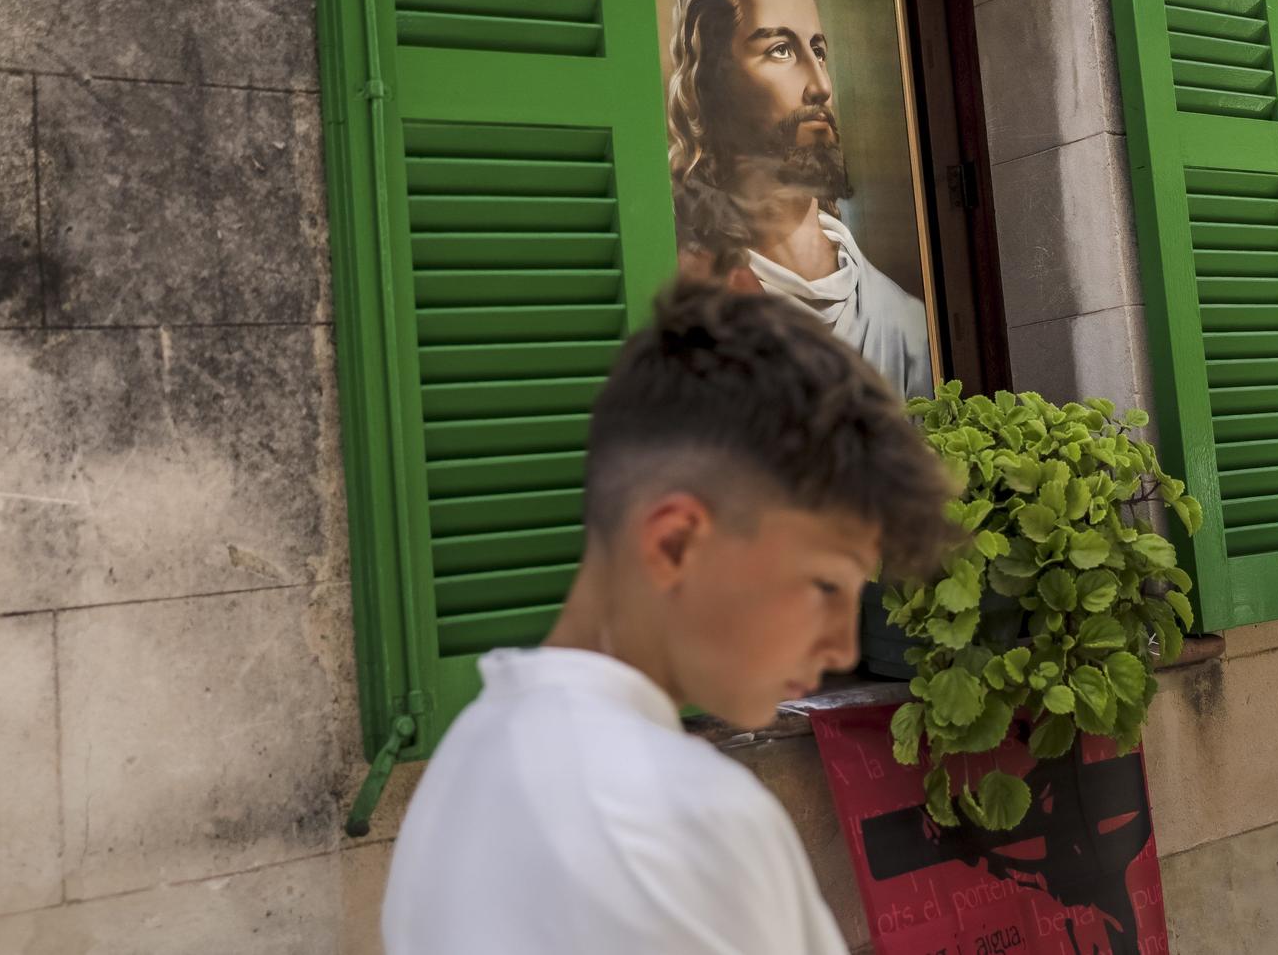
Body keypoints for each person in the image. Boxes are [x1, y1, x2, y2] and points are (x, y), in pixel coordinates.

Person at [382, 280, 957, 954]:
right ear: (675, 543)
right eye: (824, 584)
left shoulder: (464, 766)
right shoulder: (690, 817)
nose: (839, 646)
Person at [665, 0, 933, 398]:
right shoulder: (688, 303)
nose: (821, 85)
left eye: (819, 50)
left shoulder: (905, 324)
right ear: (711, 85)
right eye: (781, 50)